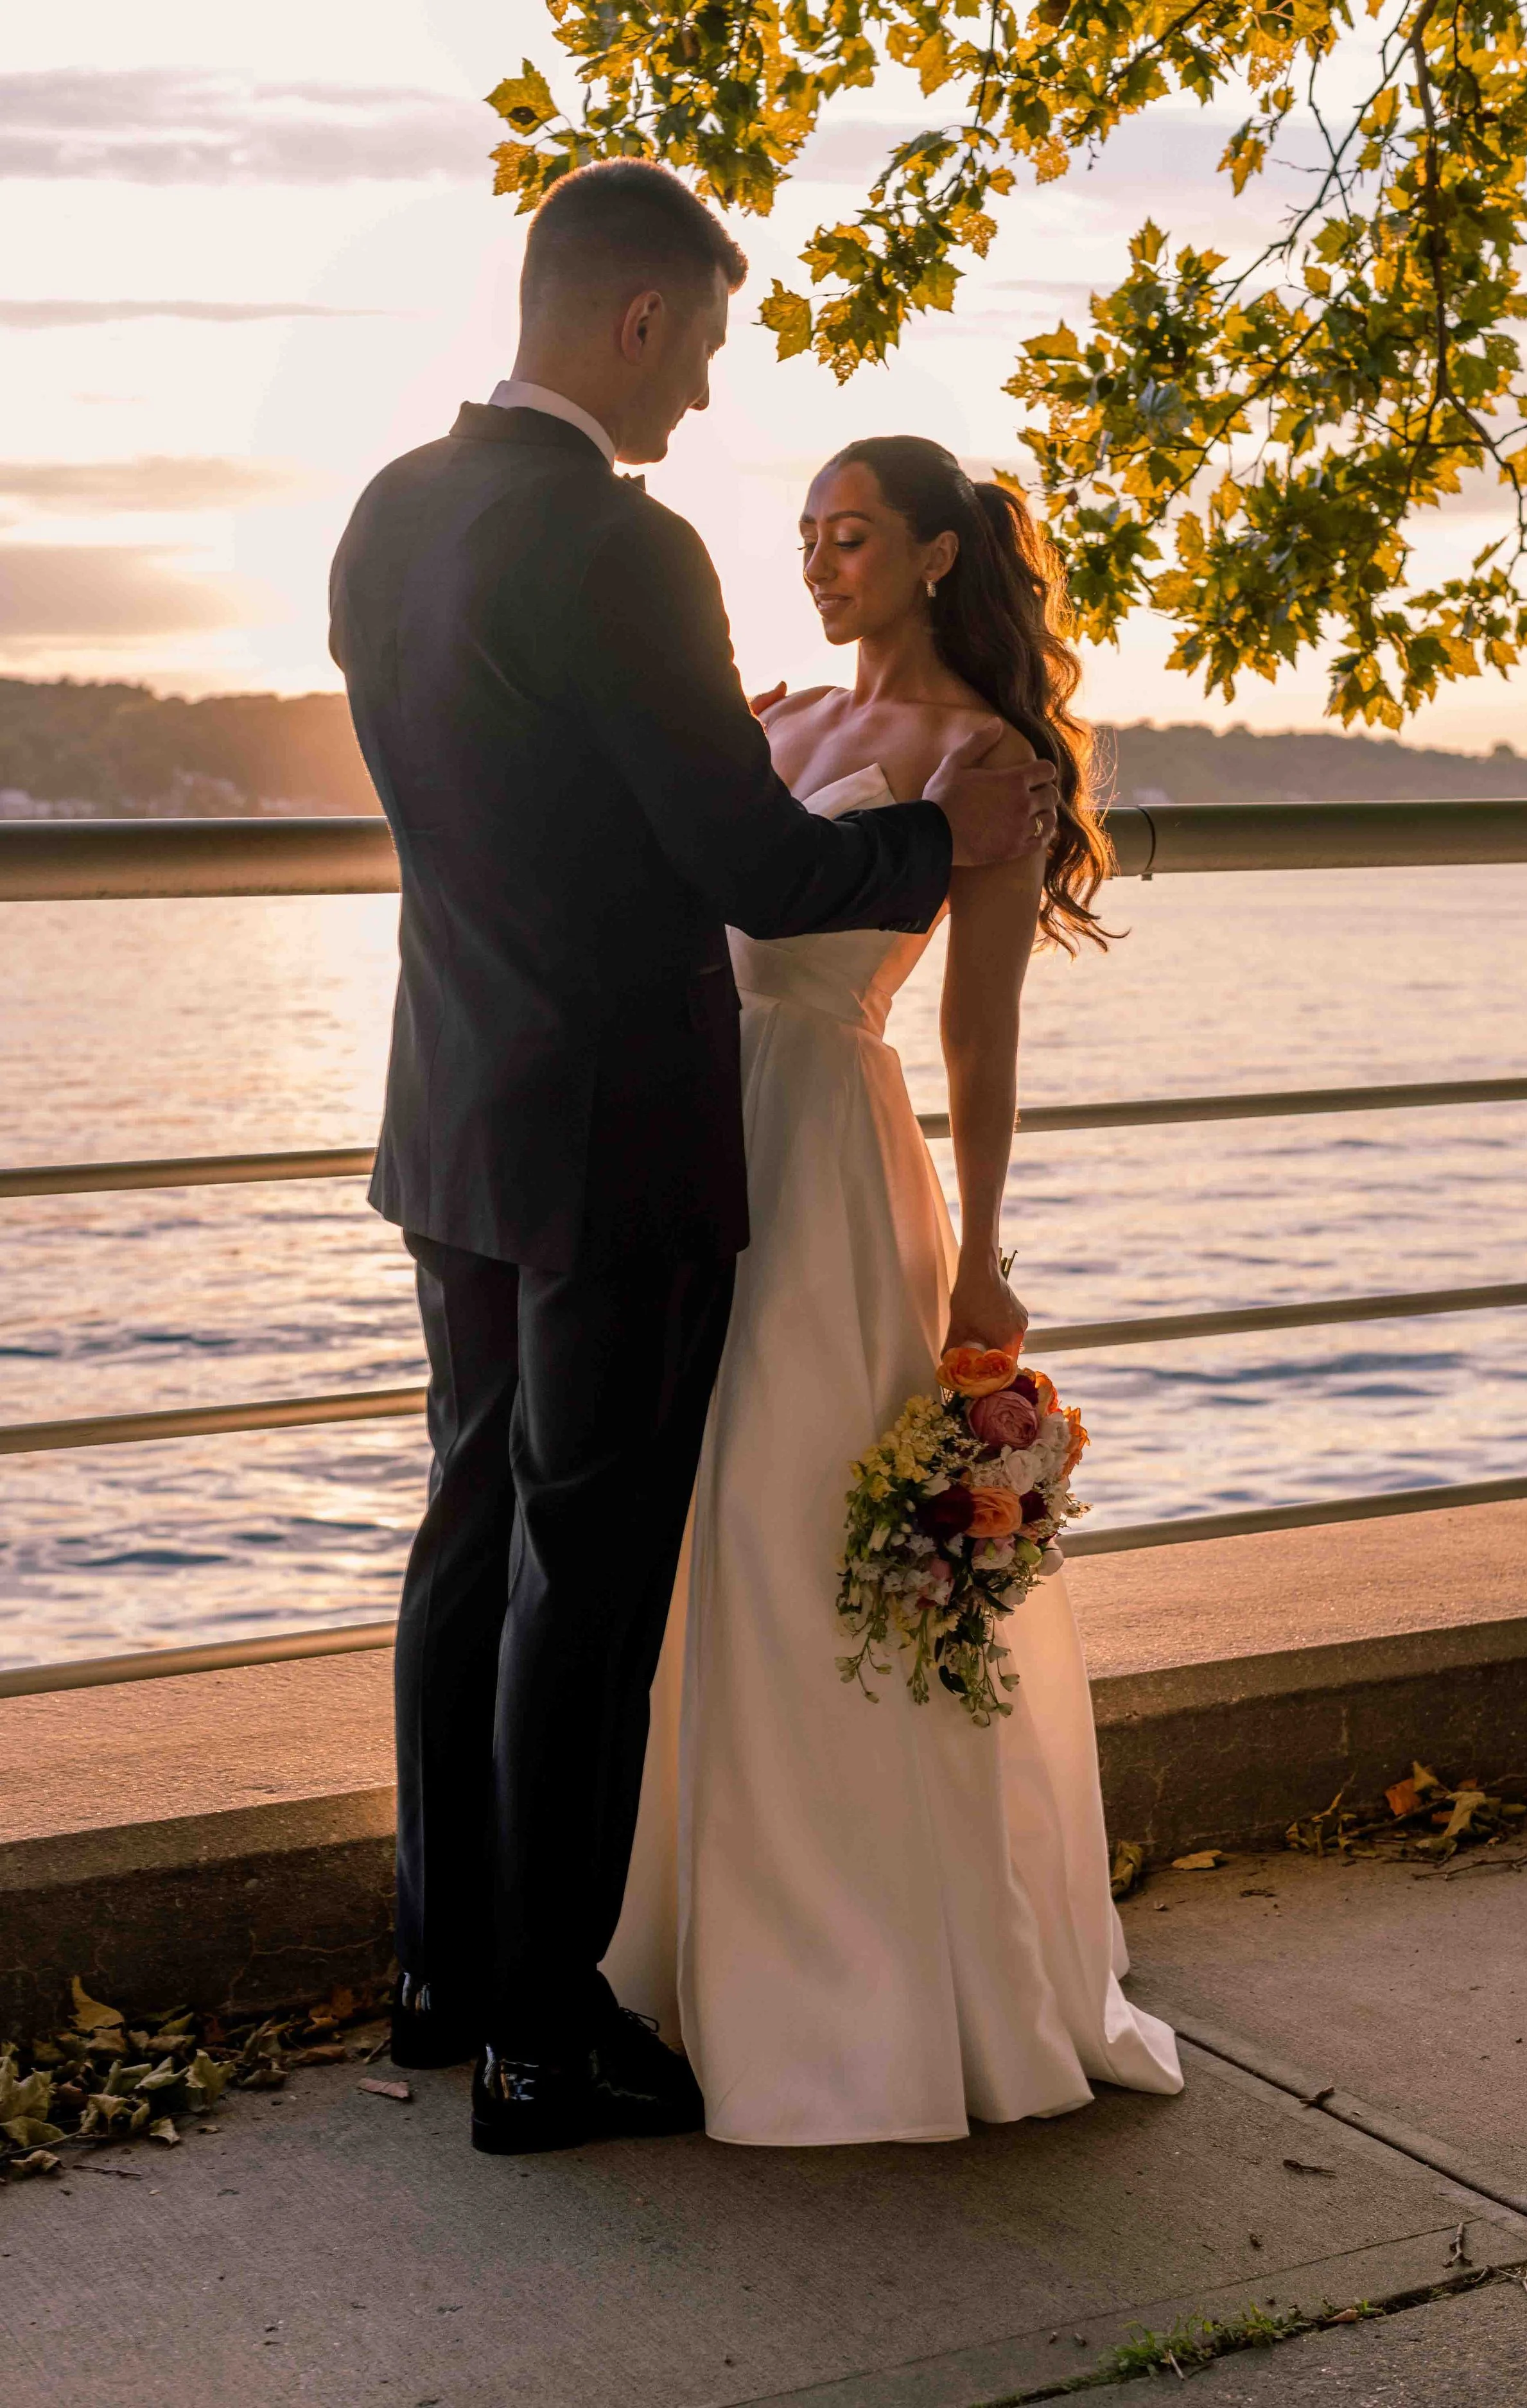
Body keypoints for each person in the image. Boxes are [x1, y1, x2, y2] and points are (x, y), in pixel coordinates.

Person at [327, 162, 1058, 2155]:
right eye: (712, 341)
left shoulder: (389, 512)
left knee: (467, 1524)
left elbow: (484, 813)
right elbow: (746, 858)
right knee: (588, 1566)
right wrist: (931, 842)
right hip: (622, 1131)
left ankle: (438, 1972)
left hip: (452, 1104)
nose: (710, 396)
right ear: (638, 317)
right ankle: (544, 2040)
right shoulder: (621, 550)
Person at [606, 437, 1182, 2142]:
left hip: (834, 1166)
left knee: (812, 1546)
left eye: (849, 535)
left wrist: (986, 1254)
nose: (817, 560)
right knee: (700, 1535)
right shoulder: (771, 725)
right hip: (693, 1149)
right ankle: (688, 1947)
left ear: (938, 554)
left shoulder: (979, 759)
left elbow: (974, 1029)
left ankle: (859, 1969)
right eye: (803, 533)